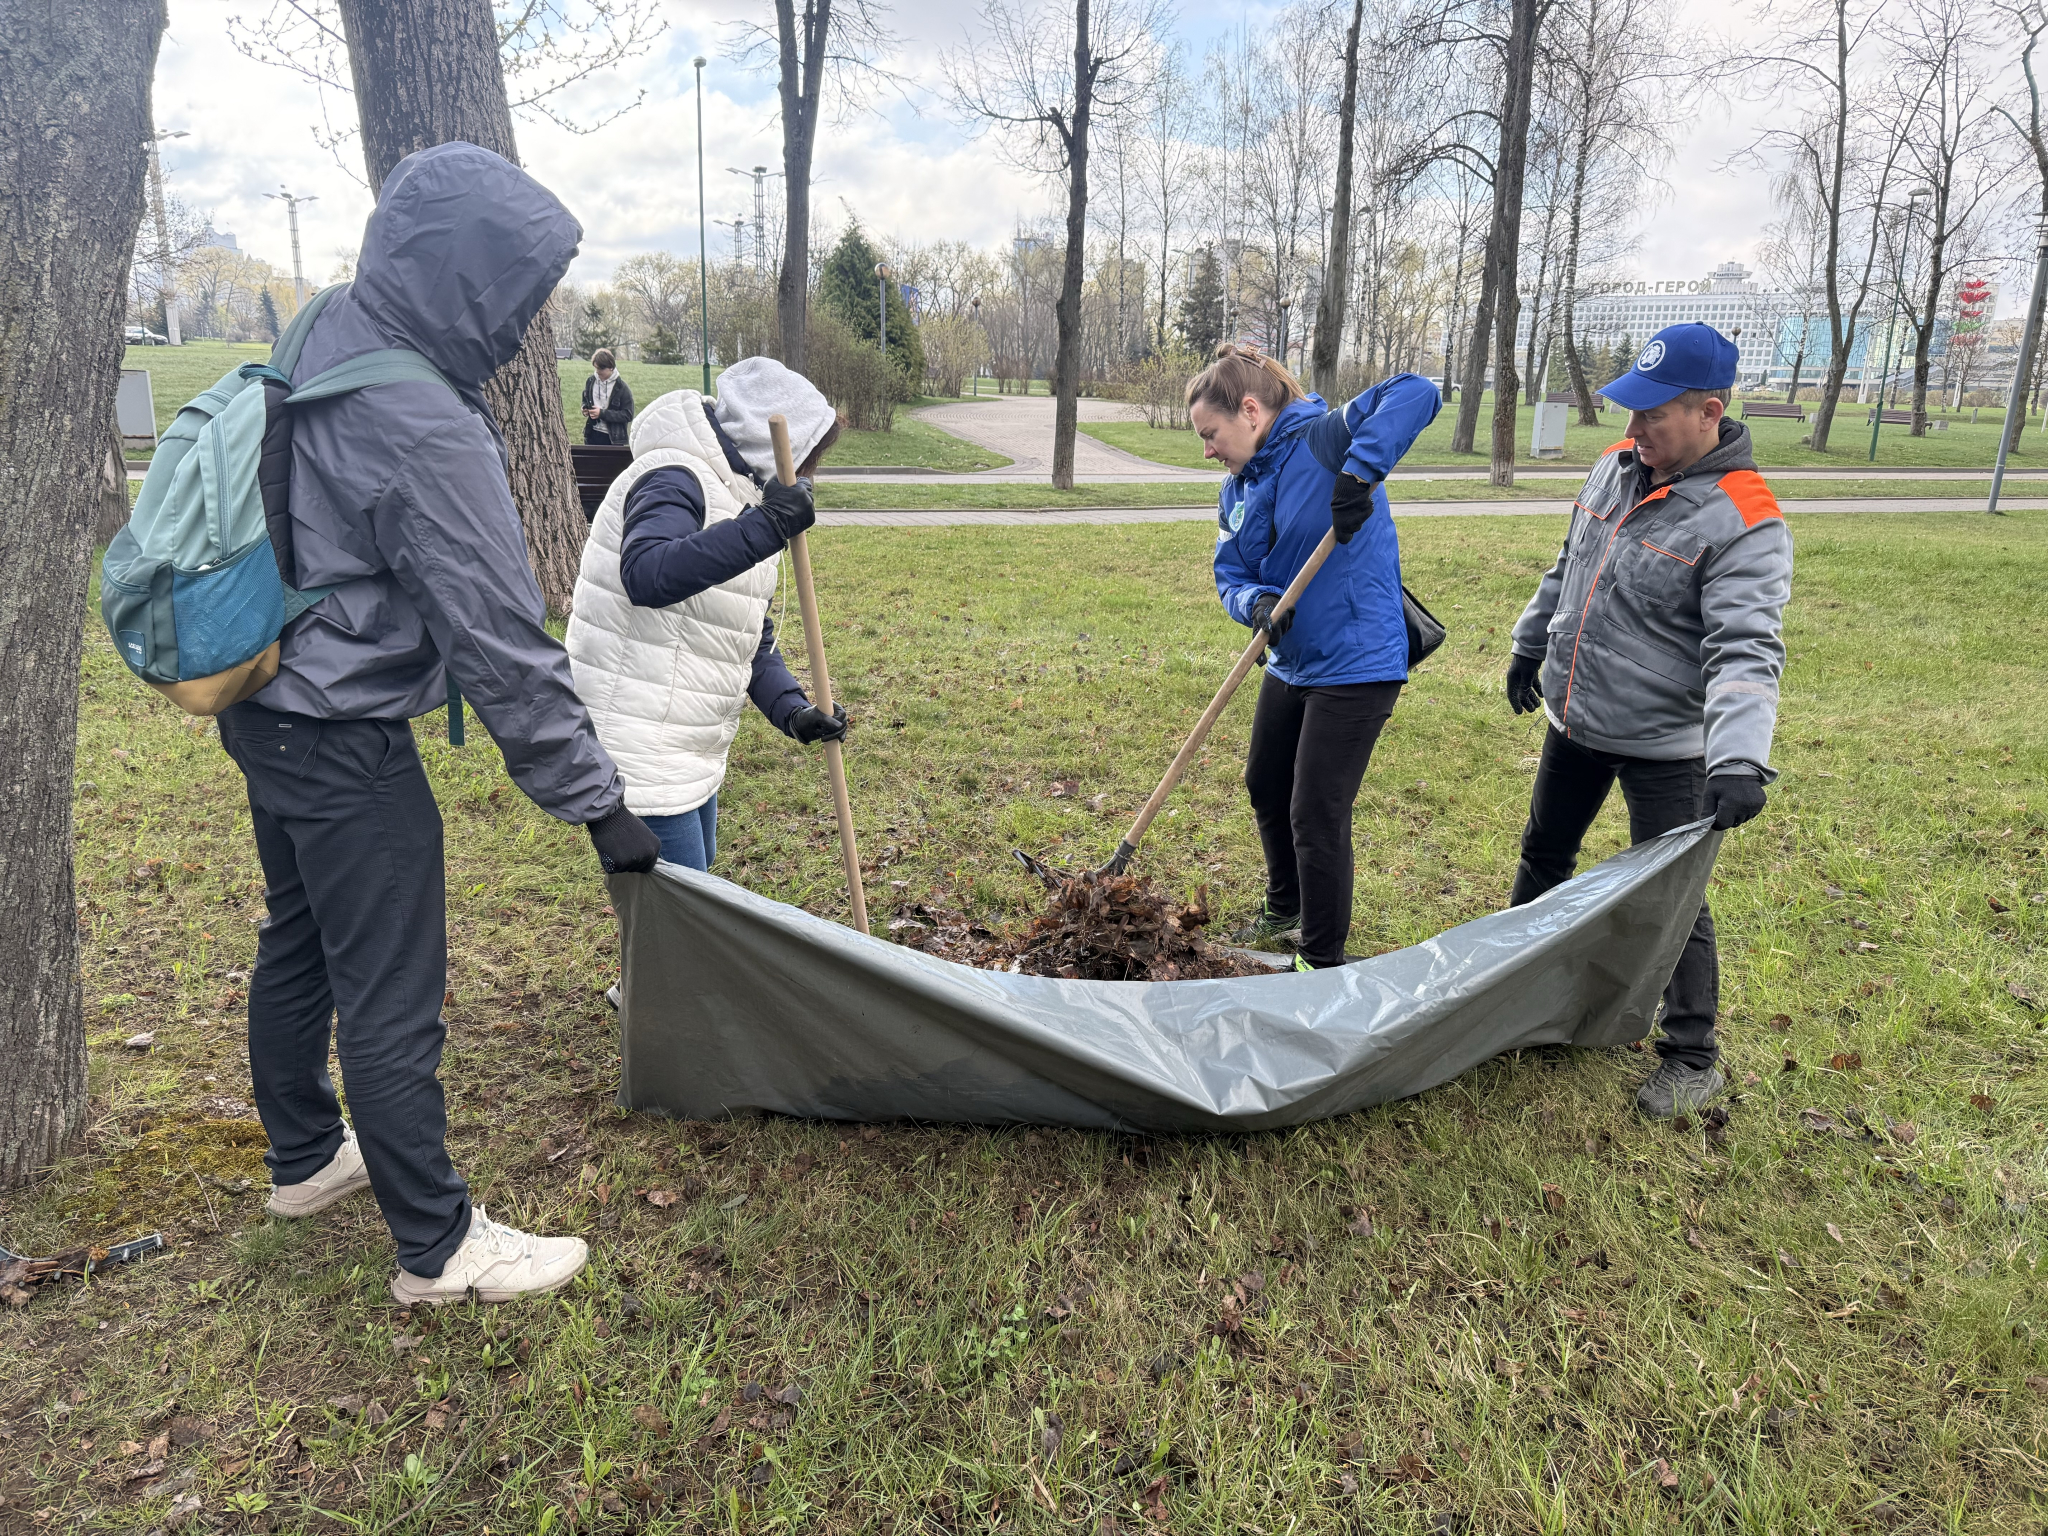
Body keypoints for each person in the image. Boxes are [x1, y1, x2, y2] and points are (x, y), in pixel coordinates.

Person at [216, 142, 664, 1306]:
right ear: (462, 277)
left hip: (263, 699)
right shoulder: (419, 418)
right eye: (511, 297)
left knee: (299, 936)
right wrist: (599, 805)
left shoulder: (332, 323)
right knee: (388, 986)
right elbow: (501, 641)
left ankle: (304, 1158)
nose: (516, 332)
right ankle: (438, 1246)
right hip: (340, 732)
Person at [1503, 322, 1791, 1119]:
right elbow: (1569, 565)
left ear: (1709, 412)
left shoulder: (1745, 518)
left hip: (1666, 744)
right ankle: (1512, 995)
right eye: (1630, 411)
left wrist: (1738, 758)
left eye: (1652, 416)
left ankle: (1692, 1055)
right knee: (1544, 854)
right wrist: (1531, 643)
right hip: (1576, 715)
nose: (1632, 430)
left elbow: (1745, 647)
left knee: (1672, 898)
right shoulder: (1615, 466)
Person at [1196, 343, 1443, 972]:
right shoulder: (1237, 491)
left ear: (1250, 411)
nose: (1208, 450)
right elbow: (1230, 574)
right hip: (1291, 661)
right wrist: (1255, 602)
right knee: (1265, 782)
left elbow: (1417, 391)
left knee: (1316, 810)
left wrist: (1358, 473)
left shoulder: (1325, 440)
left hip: (1357, 660)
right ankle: (1286, 907)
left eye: (1210, 434)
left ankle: (1321, 958)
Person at [565, 357, 849, 874]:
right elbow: (647, 573)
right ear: (774, 444)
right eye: (811, 456)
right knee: (677, 902)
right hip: (638, 735)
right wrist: (766, 527)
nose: (811, 472)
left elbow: (743, 633)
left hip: (686, 736)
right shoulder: (675, 476)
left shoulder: (738, 495)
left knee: (697, 872)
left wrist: (792, 709)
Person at [581, 348, 634, 445]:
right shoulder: (590, 381)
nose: (597, 371)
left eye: (601, 369)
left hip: (613, 439)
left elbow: (628, 415)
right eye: (596, 368)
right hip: (591, 435)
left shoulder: (622, 388)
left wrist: (602, 413)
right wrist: (585, 408)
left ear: (611, 367)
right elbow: (585, 400)